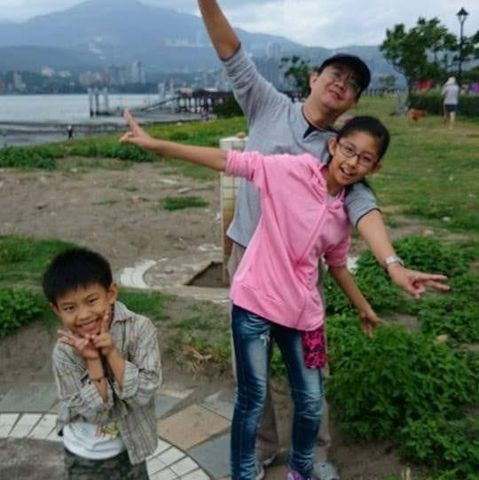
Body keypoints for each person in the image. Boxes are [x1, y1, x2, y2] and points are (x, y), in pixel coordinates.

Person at [197, 2, 449, 479]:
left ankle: (313, 455)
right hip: (249, 258)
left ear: (353, 103)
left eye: (352, 84)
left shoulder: (341, 149)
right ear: (313, 78)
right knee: (249, 369)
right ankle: (262, 447)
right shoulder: (267, 104)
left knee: (312, 370)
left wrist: (392, 264)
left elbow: (363, 206)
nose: (341, 84)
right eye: (335, 74)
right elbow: (231, 51)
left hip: (300, 275)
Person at [121, 109, 393, 479]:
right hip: (255, 305)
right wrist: (158, 145)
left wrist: (363, 307)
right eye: (348, 150)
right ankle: (245, 471)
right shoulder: (291, 170)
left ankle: (301, 469)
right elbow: (227, 161)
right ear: (333, 146)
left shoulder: (343, 210)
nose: (352, 162)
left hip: (305, 316)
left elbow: (338, 264)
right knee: (251, 399)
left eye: (365, 158)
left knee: (311, 400)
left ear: (374, 167)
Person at [43, 248, 161, 480]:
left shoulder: (139, 329)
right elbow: (97, 413)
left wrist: (111, 352)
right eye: (70, 308)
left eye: (91, 301)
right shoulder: (64, 352)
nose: (84, 315)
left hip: (132, 447)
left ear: (111, 293)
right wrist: (93, 360)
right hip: (84, 456)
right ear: (56, 309)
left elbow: (145, 392)